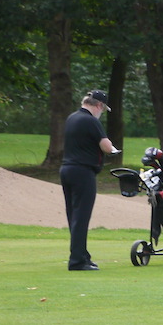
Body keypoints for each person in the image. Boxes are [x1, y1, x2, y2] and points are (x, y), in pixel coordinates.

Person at [60, 90, 119, 270]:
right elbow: (107, 147)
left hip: (67, 169)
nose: (102, 113)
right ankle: (77, 261)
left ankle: (82, 255)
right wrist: (112, 149)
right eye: (103, 109)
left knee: (74, 215)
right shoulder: (91, 121)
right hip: (82, 171)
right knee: (81, 217)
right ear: (99, 105)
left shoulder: (72, 118)